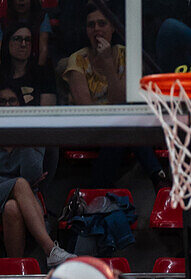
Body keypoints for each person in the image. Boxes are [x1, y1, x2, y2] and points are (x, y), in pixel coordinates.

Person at [58, 3, 165, 190]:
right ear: (86, 31)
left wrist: (108, 62)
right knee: (126, 121)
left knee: (124, 125)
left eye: (102, 23)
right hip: (91, 130)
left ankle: (98, 188)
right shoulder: (77, 59)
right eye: (91, 25)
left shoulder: (127, 55)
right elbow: (87, 112)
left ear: (113, 28)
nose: (96, 29)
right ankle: (157, 175)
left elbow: (122, 100)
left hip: (121, 129)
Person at [0, 135, 73, 267]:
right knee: (21, 184)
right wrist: (13, 184)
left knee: (12, 208)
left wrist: (23, 141)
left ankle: (15, 270)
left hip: (23, 202)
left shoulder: (31, 138)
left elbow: (33, 176)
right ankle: (50, 249)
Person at [0, 21, 57, 107]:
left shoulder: (44, 75)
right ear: (7, 42)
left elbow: (46, 114)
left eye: (28, 40)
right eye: (18, 39)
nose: (23, 44)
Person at [0, 0, 52, 68]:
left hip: (35, 66)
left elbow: (43, 50)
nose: (21, 1)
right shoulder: (2, 22)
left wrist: (38, 72)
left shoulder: (42, 18)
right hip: (8, 68)